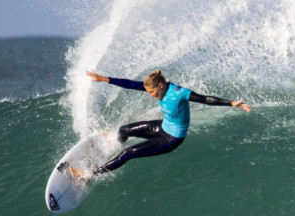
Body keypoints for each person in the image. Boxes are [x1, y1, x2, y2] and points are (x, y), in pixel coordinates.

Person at [68, 69, 251, 179]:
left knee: (128, 153)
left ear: (161, 86)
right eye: (148, 91)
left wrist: (232, 103)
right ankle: (112, 147)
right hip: (162, 126)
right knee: (124, 130)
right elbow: (131, 84)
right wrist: (104, 79)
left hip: (171, 139)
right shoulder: (156, 87)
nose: (150, 95)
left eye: (152, 92)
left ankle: (89, 175)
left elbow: (205, 99)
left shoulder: (179, 93)